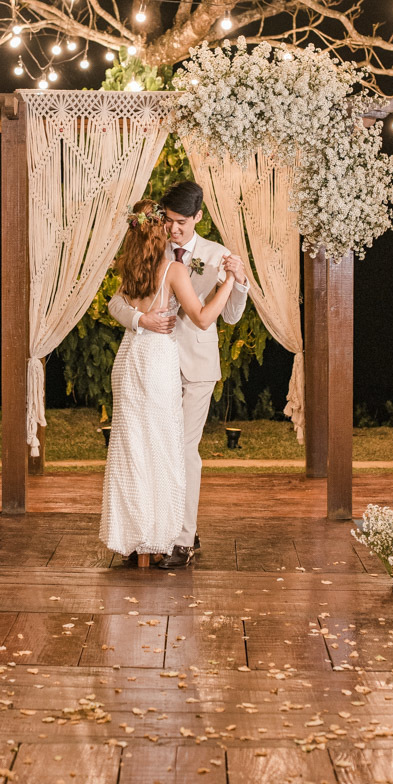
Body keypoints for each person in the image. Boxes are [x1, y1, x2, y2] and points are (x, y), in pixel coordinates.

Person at [108, 181, 249, 568]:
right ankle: (152, 531)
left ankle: (182, 539)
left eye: (182, 222)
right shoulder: (152, 247)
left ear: (198, 218)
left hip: (197, 365)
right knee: (151, 448)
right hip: (155, 363)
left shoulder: (217, 255)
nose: (174, 229)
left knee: (184, 449)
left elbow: (232, 315)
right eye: (169, 221)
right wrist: (141, 319)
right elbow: (116, 301)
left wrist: (239, 281)